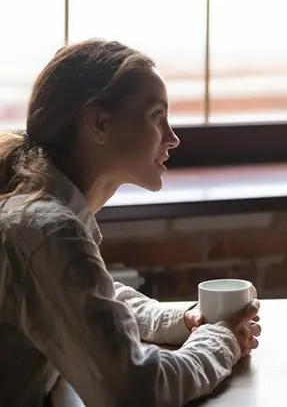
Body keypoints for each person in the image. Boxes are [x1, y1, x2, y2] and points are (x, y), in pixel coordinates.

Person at [0, 39, 261, 406]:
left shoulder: (41, 214)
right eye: (157, 115)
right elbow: (134, 389)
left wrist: (183, 320)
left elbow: (86, 301)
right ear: (99, 123)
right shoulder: (47, 230)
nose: (172, 138)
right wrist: (220, 341)